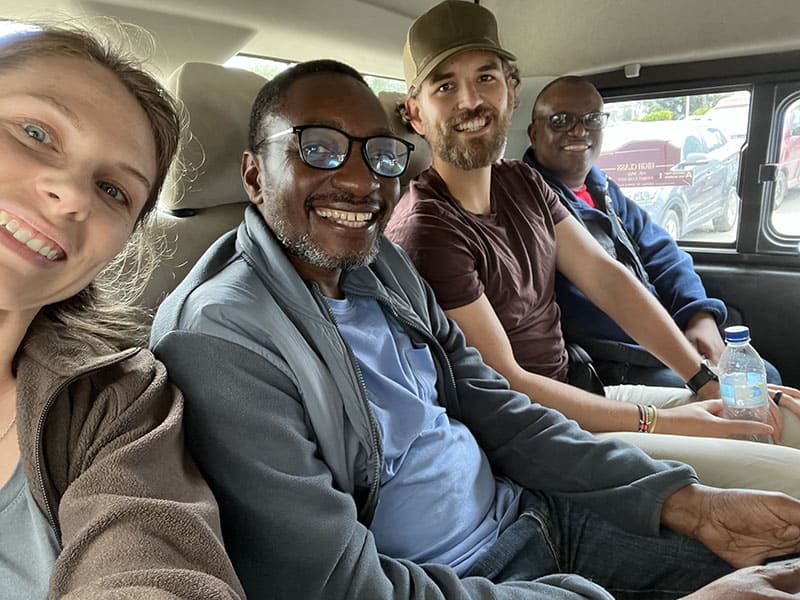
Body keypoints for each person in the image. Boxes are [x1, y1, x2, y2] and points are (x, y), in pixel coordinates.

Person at [149, 55, 800, 599]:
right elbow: (336, 583)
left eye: (378, 155)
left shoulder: (382, 267)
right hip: (457, 579)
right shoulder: (222, 338)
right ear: (254, 172)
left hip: (532, 512)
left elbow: (498, 407)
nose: (356, 179)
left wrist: (688, 503)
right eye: (316, 148)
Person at [386, 0, 800, 494]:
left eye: (487, 78)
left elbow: (607, 278)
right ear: (415, 113)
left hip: (585, 391)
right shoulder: (426, 229)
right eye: (445, 86)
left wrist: (703, 379)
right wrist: (663, 422)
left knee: (778, 422)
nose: (470, 101)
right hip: (534, 433)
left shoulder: (523, 182)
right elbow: (506, 384)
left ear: (511, 91)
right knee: (788, 480)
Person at [0, 25, 243, 598]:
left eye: (113, 190)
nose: (75, 193)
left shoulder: (118, 403)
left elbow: (156, 560)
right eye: (36, 132)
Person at [522, 75, 783, 389]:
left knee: (761, 376)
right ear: (535, 133)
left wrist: (699, 317)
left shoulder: (603, 189)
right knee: (749, 388)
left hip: (659, 342)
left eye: (592, 119)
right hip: (610, 359)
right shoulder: (527, 201)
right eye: (561, 120)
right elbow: (595, 294)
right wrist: (683, 359)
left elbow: (664, 254)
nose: (579, 130)